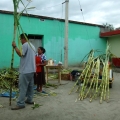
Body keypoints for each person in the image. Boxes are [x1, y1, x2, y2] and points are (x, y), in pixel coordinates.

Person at [11, 33, 36, 110]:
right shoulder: (32, 46)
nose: (20, 41)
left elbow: (21, 54)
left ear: (23, 39)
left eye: (20, 39)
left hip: (25, 70)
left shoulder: (25, 45)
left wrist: (15, 46)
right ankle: (29, 99)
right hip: (32, 70)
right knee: (30, 86)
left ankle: (20, 103)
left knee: (23, 87)